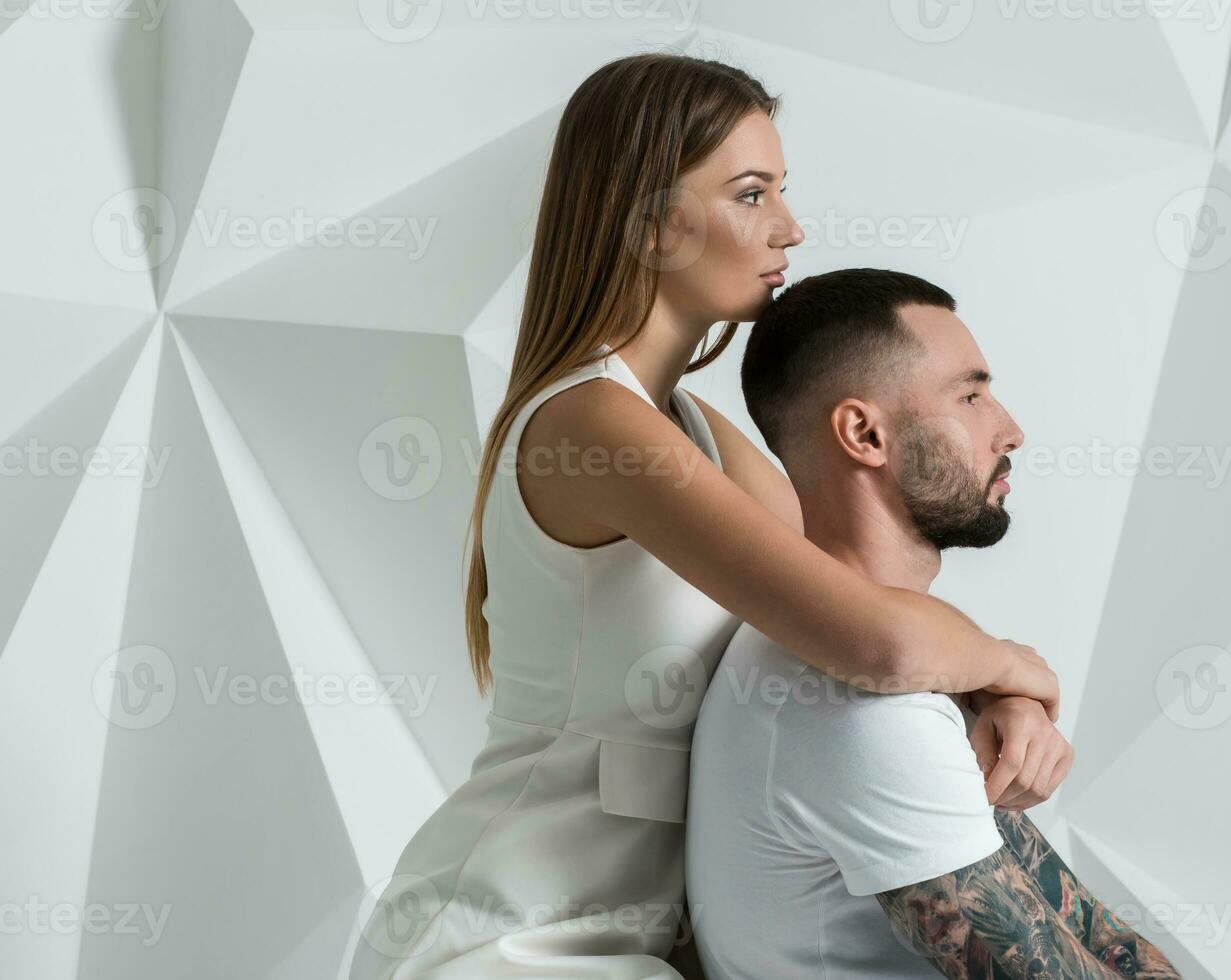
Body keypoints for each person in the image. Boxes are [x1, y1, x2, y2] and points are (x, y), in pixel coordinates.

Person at [348, 54, 1059, 980]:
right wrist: (1017, 667)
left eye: (781, 192)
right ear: (646, 223)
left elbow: (857, 608)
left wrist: (990, 694)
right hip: (510, 940)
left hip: (648, 948)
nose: (790, 228)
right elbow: (878, 644)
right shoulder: (591, 424)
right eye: (751, 194)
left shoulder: (693, 435)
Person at [686, 268, 1183, 979]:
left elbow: (1100, 940)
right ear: (864, 433)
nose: (1010, 429)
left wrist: (1002, 684)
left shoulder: (882, 659)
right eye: (971, 395)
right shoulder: (865, 710)